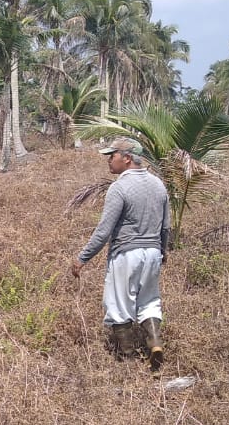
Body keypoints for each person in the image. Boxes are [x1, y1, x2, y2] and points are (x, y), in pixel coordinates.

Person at [70, 136, 171, 368]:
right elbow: (166, 226)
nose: (108, 160)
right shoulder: (158, 185)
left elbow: (104, 230)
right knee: (149, 302)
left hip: (127, 254)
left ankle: (128, 360)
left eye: (111, 155)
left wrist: (82, 258)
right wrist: (162, 250)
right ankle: (155, 341)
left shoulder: (119, 188)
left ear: (127, 159)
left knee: (117, 305)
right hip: (153, 252)